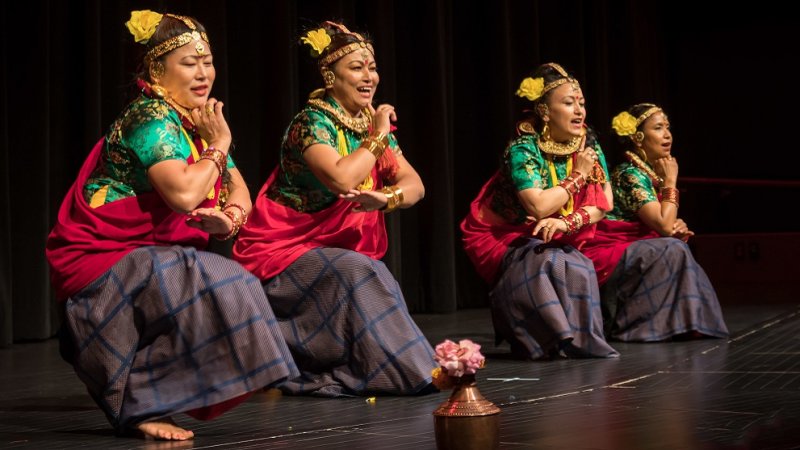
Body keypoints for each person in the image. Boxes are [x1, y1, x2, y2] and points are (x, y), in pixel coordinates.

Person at [45, 10, 297, 440]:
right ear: (158, 69)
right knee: (201, 274)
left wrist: (228, 219)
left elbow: (240, 190)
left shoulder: (192, 121)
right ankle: (140, 404)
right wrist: (219, 143)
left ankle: (164, 394)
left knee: (226, 279)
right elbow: (182, 194)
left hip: (146, 254)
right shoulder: (151, 118)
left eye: (208, 61)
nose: (204, 73)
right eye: (189, 63)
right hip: (101, 258)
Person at [232, 21, 436, 396]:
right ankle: (416, 371)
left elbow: (416, 186)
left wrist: (386, 199)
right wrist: (377, 136)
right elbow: (341, 178)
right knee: (359, 269)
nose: (369, 76)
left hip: (330, 252)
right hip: (280, 252)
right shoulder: (310, 123)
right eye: (357, 68)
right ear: (330, 75)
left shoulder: (366, 124)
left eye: (372, 67)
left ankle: (405, 368)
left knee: (365, 270)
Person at [460, 62, 618, 360]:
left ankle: (579, 341)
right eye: (569, 103)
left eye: (581, 103)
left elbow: (603, 202)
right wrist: (578, 177)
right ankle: (543, 340)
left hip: (555, 231)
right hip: (502, 235)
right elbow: (539, 205)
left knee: (576, 263)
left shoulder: (588, 145)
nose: (579, 111)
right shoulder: (523, 148)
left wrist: (568, 223)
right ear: (545, 111)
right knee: (546, 260)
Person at [583, 103, 729, 341]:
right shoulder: (629, 174)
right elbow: (662, 224)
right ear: (638, 139)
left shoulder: (649, 174)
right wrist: (671, 182)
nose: (667, 135)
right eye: (659, 128)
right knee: (674, 249)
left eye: (668, 128)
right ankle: (637, 326)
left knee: (676, 247)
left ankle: (685, 322)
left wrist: (675, 226)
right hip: (609, 251)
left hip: (632, 246)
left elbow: (665, 225)